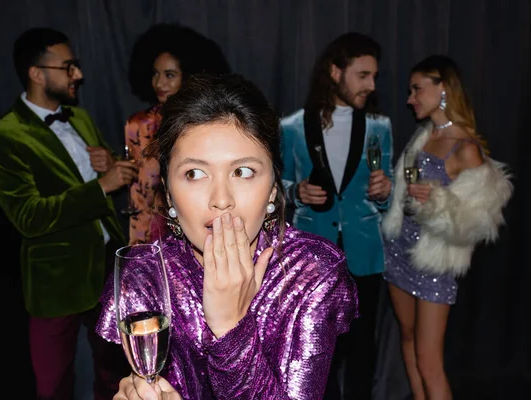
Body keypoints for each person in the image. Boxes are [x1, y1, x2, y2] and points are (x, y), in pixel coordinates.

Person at [96, 73, 359, 400]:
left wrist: (231, 328)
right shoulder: (144, 276)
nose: (221, 198)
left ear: (274, 187)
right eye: (195, 174)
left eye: (243, 172)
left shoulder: (311, 273)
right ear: (168, 192)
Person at [0, 27, 134, 400]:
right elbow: (29, 216)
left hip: (106, 267)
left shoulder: (79, 117)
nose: (78, 74)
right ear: (36, 73)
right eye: (68, 67)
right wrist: (102, 186)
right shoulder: (1, 137)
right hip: (56, 280)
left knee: (114, 376)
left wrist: (107, 164)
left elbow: (97, 177)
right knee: (54, 385)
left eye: (75, 66)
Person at [381, 55, 513, 399]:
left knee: (430, 361)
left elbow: (476, 222)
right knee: (407, 340)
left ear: (443, 89)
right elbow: (406, 196)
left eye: (417, 89)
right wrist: (389, 191)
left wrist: (438, 200)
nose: (410, 98)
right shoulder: (422, 137)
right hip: (399, 251)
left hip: (435, 261)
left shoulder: (466, 148)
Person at [280, 32, 393, 399]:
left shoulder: (380, 127)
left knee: (363, 347)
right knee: (316, 350)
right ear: (334, 72)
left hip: (365, 254)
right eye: (363, 75)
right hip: (312, 257)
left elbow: (387, 196)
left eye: (374, 76)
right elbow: (274, 187)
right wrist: (295, 193)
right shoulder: (293, 127)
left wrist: (385, 193)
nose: (371, 85)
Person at [123, 23, 230, 244]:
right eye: (155, 74)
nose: (159, 83)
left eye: (169, 75)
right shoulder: (138, 125)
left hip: (194, 233)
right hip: (145, 236)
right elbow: (138, 191)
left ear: (190, 76)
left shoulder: (206, 125)